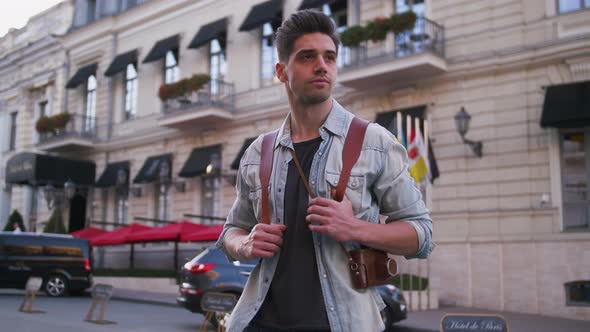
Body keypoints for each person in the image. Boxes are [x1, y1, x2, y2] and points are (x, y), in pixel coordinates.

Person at [217, 9, 434, 332]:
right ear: (281, 71)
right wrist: (245, 244)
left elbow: (422, 235)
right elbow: (230, 232)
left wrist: (355, 228)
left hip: (342, 324)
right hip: (257, 321)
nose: (322, 65)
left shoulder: (373, 142)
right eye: (307, 56)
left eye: (330, 57)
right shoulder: (258, 153)